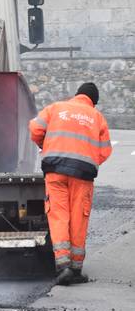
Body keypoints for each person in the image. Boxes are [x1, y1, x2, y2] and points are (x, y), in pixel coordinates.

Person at [29, 83, 111, 285]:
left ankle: (62, 265)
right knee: (78, 218)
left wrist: (44, 145)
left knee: (59, 214)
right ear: (94, 102)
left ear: (76, 95)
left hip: (55, 170)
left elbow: (34, 128)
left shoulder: (56, 108)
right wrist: (88, 160)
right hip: (82, 174)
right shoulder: (97, 117)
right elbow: (105, 150)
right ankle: (75, 269)